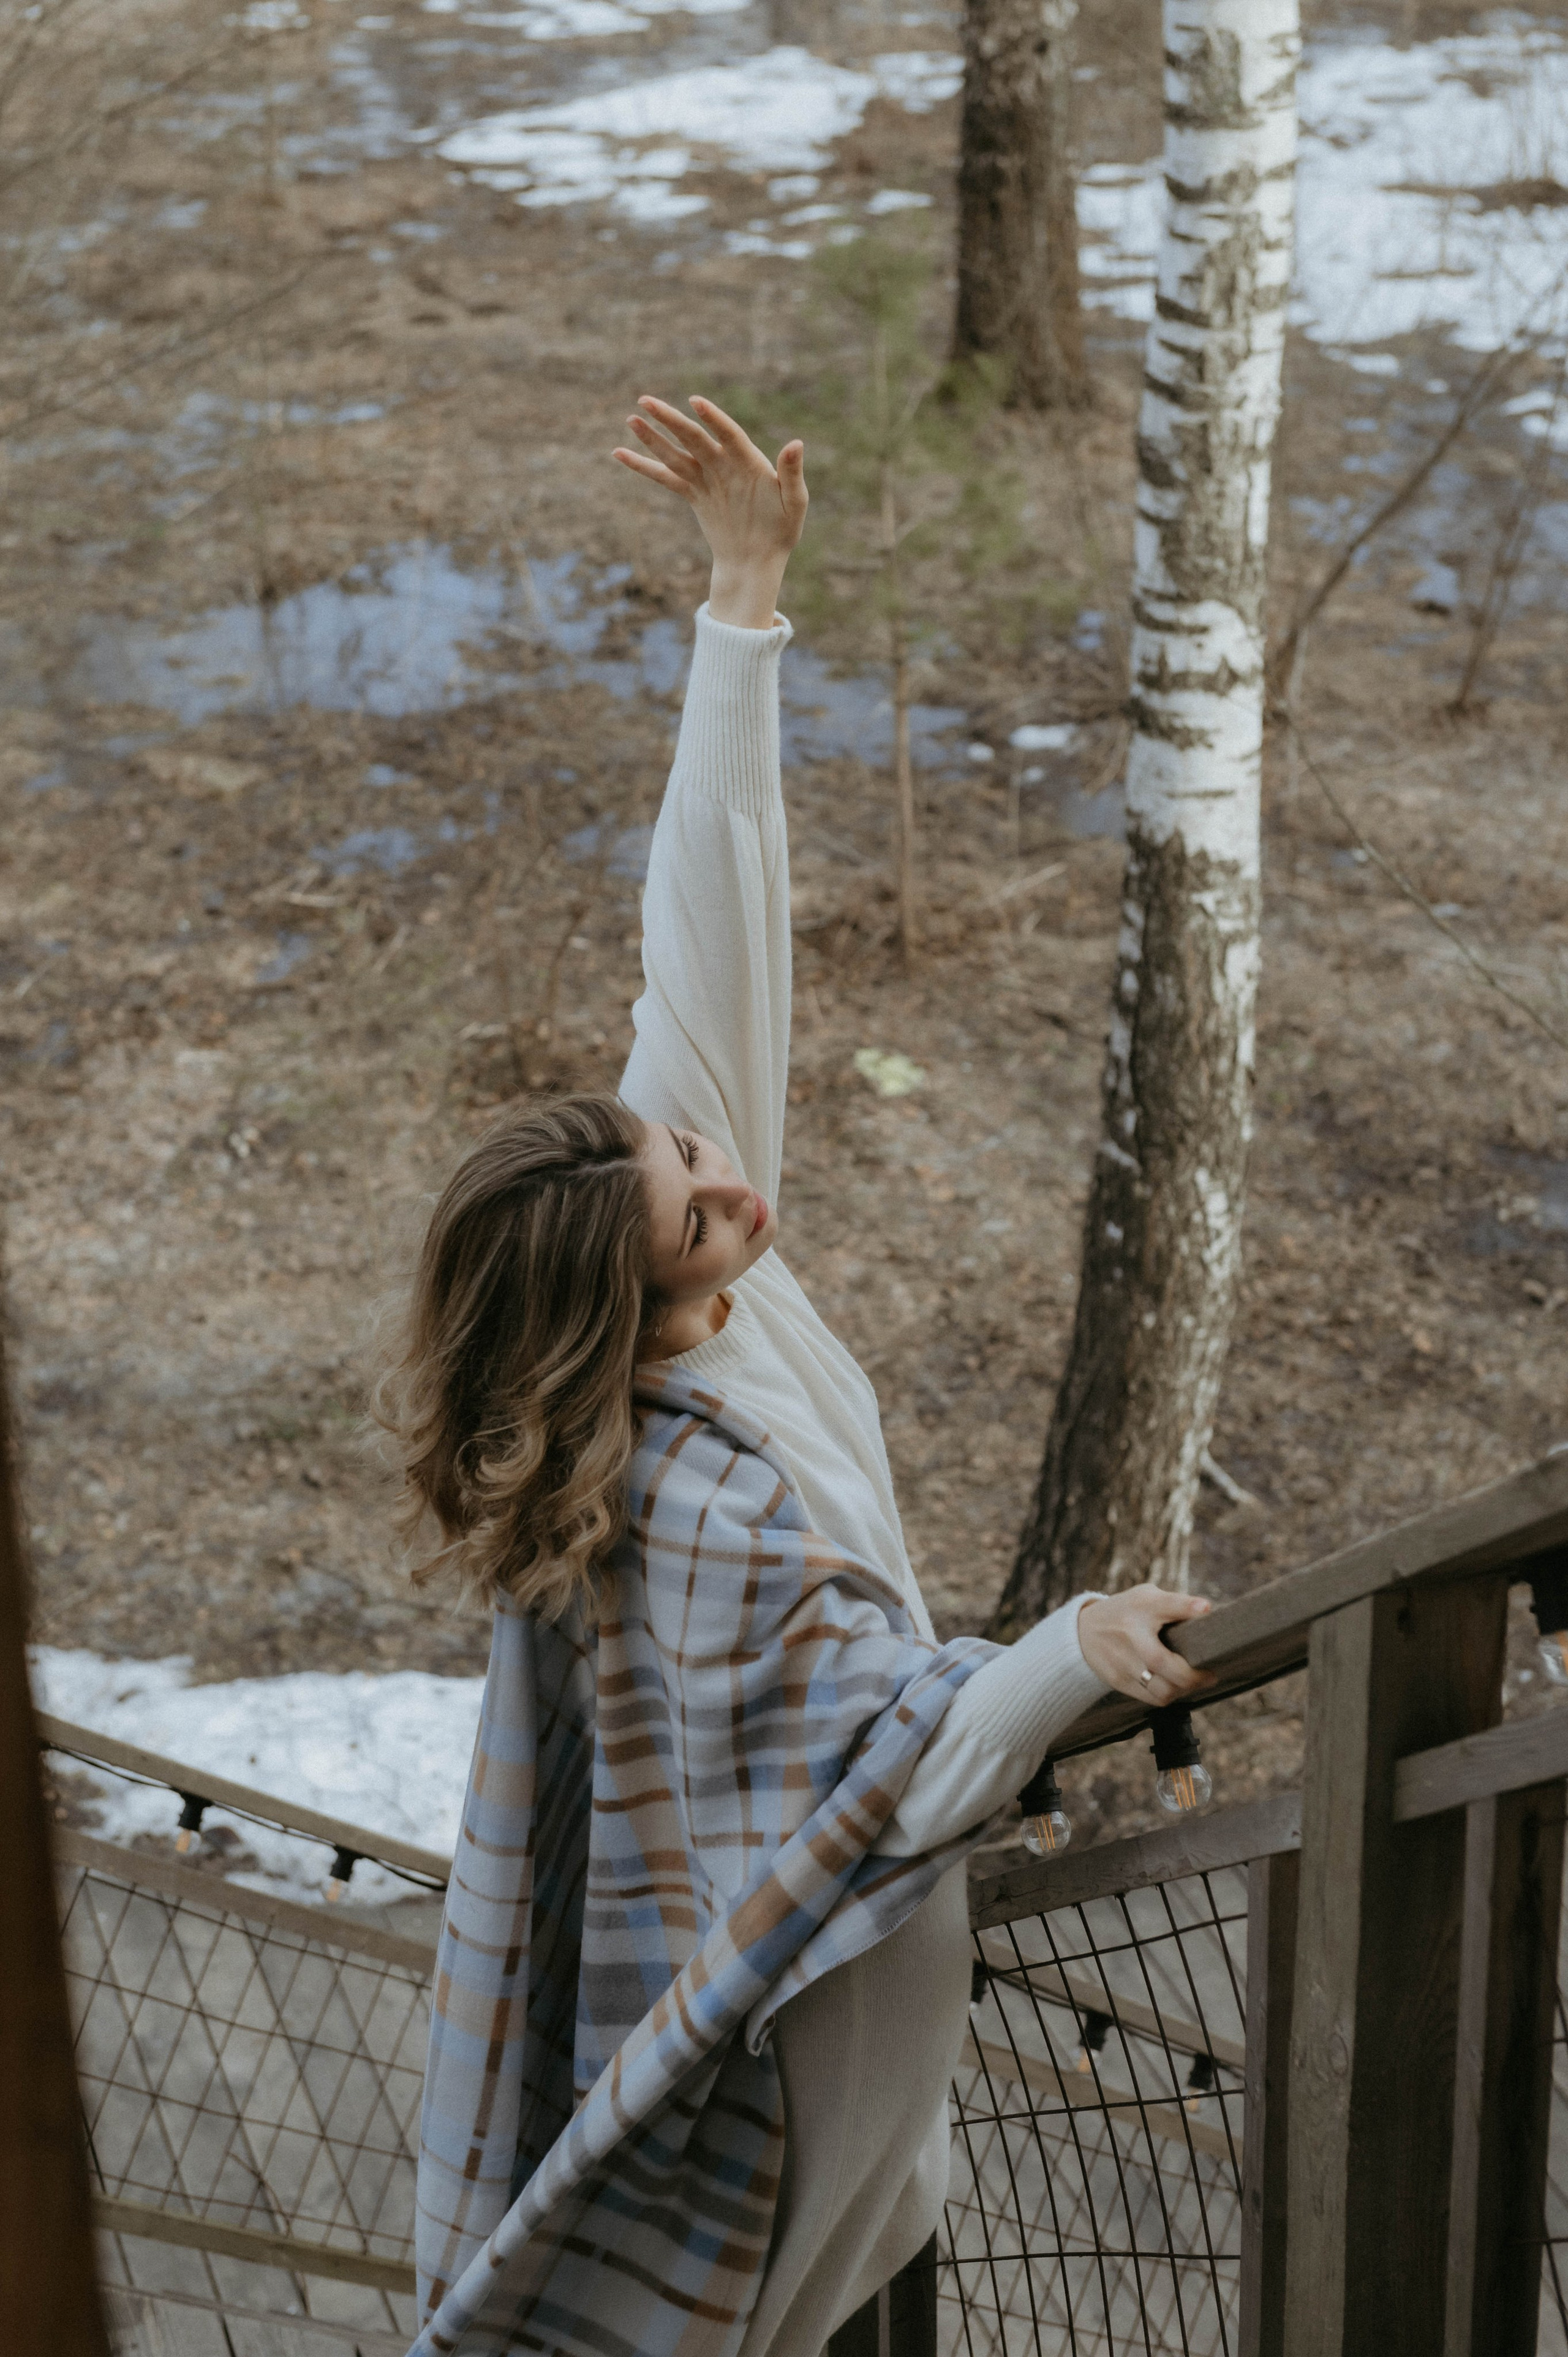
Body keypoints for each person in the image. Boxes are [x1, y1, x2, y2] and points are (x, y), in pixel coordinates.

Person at [383, 394, 1212, 2357]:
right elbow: (886, 1750)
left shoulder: (690, 1290)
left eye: (687, 1154)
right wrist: (1072, 1645)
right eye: (699, 1208)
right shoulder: (682, 1502)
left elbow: (707, 938)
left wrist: (743, 595)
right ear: (625, 1314)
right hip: (809, 2025)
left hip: (837, 1965)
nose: (740, 1186)